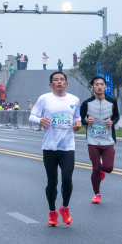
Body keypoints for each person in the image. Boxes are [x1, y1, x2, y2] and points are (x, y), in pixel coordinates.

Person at [28, 72, 82, 227]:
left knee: (67, 179)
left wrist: (78, 123)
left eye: (62, 80)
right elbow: (32, 116)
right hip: (49, 147)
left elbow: (77, 117)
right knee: (52, 181)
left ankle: (65, 208)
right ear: (51, 84)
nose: (59, 82)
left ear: (66, 84)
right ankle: (52, 212)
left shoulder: (74, 100)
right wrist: (40, 120)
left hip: (67, 147)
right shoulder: (45, 99)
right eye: (56, 80)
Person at [80, 76, 120, 204]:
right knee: (95, 168)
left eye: (101, 84)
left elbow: (117, 116)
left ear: (105, 87)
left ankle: (103, 171)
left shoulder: (112, 102)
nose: (99, 86)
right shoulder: (86, 103)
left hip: (107, 140)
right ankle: (96, 194)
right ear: (92, 87)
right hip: (93, 140)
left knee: (108, 168)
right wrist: (85, 121)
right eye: (96, 84)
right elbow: (79, 119)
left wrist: (112, 122)